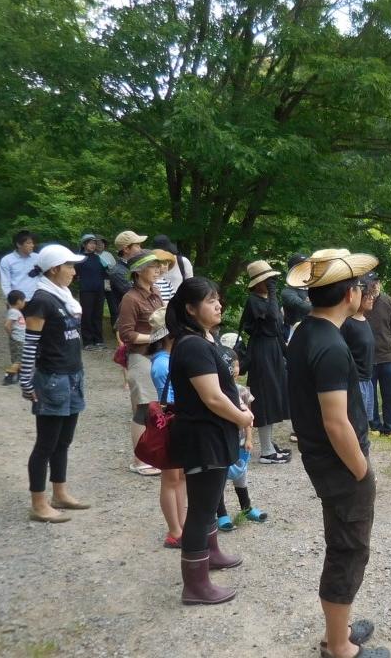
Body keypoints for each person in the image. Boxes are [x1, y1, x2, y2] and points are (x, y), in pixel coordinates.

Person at [285, 249, 387, 658]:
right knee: (348, 550)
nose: (364, 291)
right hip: (340, 466)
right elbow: (335, 422)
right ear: (350, 294)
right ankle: (339, 647)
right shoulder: (329, 345)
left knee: (343, 544)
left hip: (324, 462)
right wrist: (361, 469)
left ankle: (338, 630)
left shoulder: (306, 332)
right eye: (361, 286)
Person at [166, 277, 250, 605]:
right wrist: (242, 417)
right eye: (210, 300)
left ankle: (211, 554)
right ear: (190, 308)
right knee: (201, 509)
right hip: (203, 436)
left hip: (213, 434)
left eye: (218, 299)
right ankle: (195, 585)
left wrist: (239, 404)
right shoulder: (193, 345)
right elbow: (213, 398)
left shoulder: (204, 338)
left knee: (211, 499)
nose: (218, 305)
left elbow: (221, 392)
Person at [19, 244, 90, 523]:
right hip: (52, 378)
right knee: (46, 443)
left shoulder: (63, 297)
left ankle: (60, 493)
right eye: (70, 266)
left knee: (64, 440)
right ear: (54, 269)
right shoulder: (41, 300)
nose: (74, 271)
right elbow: (30, 344)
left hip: (73, 375)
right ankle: (39, 503)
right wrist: (26, 381)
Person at [116, 251, 165, 476]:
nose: (158, 270)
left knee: (158, 407)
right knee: (144, 408)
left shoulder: (155, 293)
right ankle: (139, 460)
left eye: (158, 266)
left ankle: (153, 455)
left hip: (157, 356)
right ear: (138, 272)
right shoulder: (130, 299)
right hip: (140, 357)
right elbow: (127, 334)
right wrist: (156, 338)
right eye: (153, 266)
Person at [214, 346, 269, 531]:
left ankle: (247, 508)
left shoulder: (243, 391)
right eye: (231, 365)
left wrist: (249, 439)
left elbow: (249, 420)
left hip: (239, 442)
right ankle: (221, 514)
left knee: (241, 477)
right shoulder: (216, 393)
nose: (235, 369)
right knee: (219, 479)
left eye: (237, 365)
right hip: (221, 443)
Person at [242, 260, 291, 464]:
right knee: (264, 398)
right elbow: (271, 317)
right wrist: (272, 293)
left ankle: (268, 444)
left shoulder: (266, 298)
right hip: (261, 351)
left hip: (272, 350)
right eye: (268, 280)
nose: (272, 282)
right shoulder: (254, 300)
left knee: (273, 396)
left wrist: (287, 352)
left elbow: (278, 326)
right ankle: (266, 452)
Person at [147, 306, 186, 548]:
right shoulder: (163, 364)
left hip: (177, 422)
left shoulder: (168, 358)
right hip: (171, 424)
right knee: (170, 479)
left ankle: (181, 526)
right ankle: (174, 531)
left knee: (180, 477)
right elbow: (172, 397)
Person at [366, 273, 391, 439]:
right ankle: (374, 425)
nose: (374, 285)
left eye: (376, 282)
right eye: (371, 283)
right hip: (367, 357)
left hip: (387, 355)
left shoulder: (388, 301)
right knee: (370, 393)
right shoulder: (361, 302)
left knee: (390, 393)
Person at [340, 274, 377, 427]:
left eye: (372, 295)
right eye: (367, 295)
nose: (371, 298)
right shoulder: (347, 323)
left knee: (363, 424)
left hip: (367, 380)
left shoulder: (365, 321)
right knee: (354, 424)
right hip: (355, 382)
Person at [74, 233, 107, 350]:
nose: (93, 245)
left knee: (98, 315)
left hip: (99, 290)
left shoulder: (98, 258)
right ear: (84, 244)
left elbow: (105, 272)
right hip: (86, 290)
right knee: (87, 315)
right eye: (90, 243)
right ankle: (87, 342)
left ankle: (98, 340)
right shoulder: (79, 258)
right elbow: (75, 274)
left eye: (94, 243)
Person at [0, 229, 39, 300]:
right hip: (17, 301)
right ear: (18, 244)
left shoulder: (38, 258)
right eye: (28, 243)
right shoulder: (7, 260)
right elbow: (5, 284)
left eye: (32, 243)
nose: (32, 245)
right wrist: (11, 301)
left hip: (36, 299)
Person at [108, 230, 147, 303]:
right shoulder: (118, 272)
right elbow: (139, 296)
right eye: (137, 245)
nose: (141, 249)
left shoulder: (135, 267)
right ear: (126, 249)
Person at [281, 253, 312, 340]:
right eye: (301, 268)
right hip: (294, 336)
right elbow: (303, 306)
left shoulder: (314, 289)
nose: (307, 270)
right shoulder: (288, 292)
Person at [3, 290, 26, 385]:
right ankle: (8, 376)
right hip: (18, 340)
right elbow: (7, 325)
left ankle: (20, 375)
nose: (25, 303)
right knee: (19, 360)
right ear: (18, 301)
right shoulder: (14, 312)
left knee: (18, 358)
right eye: (24, 300)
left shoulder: (14, 311)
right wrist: (11, 335)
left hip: (18, 339)